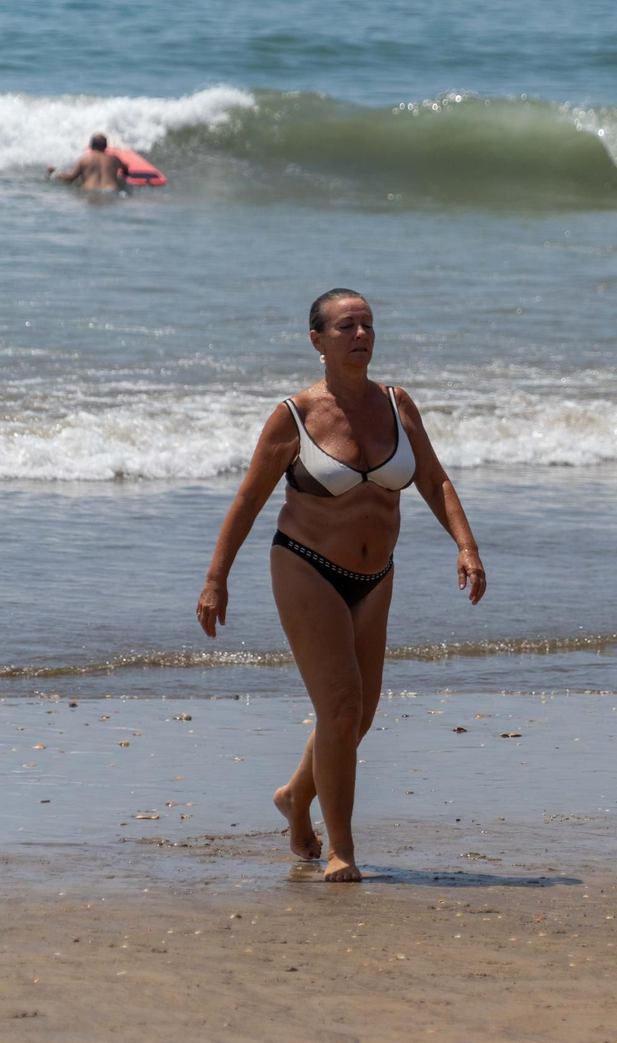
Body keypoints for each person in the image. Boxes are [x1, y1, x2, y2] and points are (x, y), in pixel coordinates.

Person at [196, 289, 487, 882]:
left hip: (375, 577)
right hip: (305, 566)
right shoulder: (295, 415)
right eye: (347, 326)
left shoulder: (398, 404)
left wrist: (466, 545)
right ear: (318, 341)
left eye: (368, 325)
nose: (361, 335)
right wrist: (215, 579)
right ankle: (341, 849)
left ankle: (294, 797)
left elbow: (433, 480)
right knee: (341, 707)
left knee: (358, 716)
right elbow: (249, 498)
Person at [46, 133, 128, 192]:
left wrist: (56, 173)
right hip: (112, 191)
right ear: (106, 146)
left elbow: (70, 178)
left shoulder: (84, 159)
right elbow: (126, 169)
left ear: (91, 145)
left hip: (90, 191)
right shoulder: (114, 159)